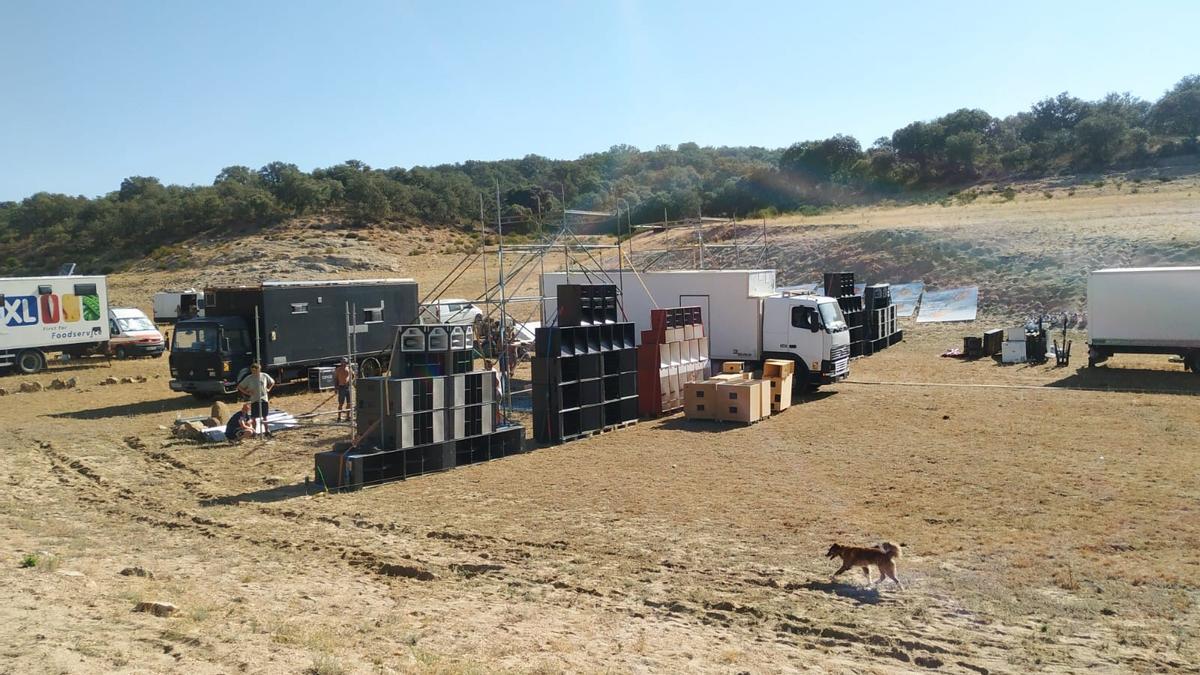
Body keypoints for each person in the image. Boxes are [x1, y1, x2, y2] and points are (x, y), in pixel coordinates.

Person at [237, 363, 276, 437]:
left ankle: (267, 431)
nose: (254, 372)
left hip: (264, 399)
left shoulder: (264, 375)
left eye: (255, 371)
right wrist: (247, 393)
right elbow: (239, 386)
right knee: (254, 417)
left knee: (264, 416)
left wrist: (268, 389)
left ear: (259, 370)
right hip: (254, 400)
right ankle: (254, 432)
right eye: (252, 371)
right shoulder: (249, 378)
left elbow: (272, 382)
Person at [334, 358, 355, 422]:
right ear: (341, 363)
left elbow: (353, 375)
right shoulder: (338, 370)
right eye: (342, 362)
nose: (344, 364)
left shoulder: (349, 369)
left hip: (348, 387)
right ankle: (339, 417)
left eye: (345, 362)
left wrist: (351, 381)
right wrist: (336, 388)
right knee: (341, 403)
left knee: (349, 403)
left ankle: (347, 417)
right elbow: (336, 379)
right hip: (341, 387)